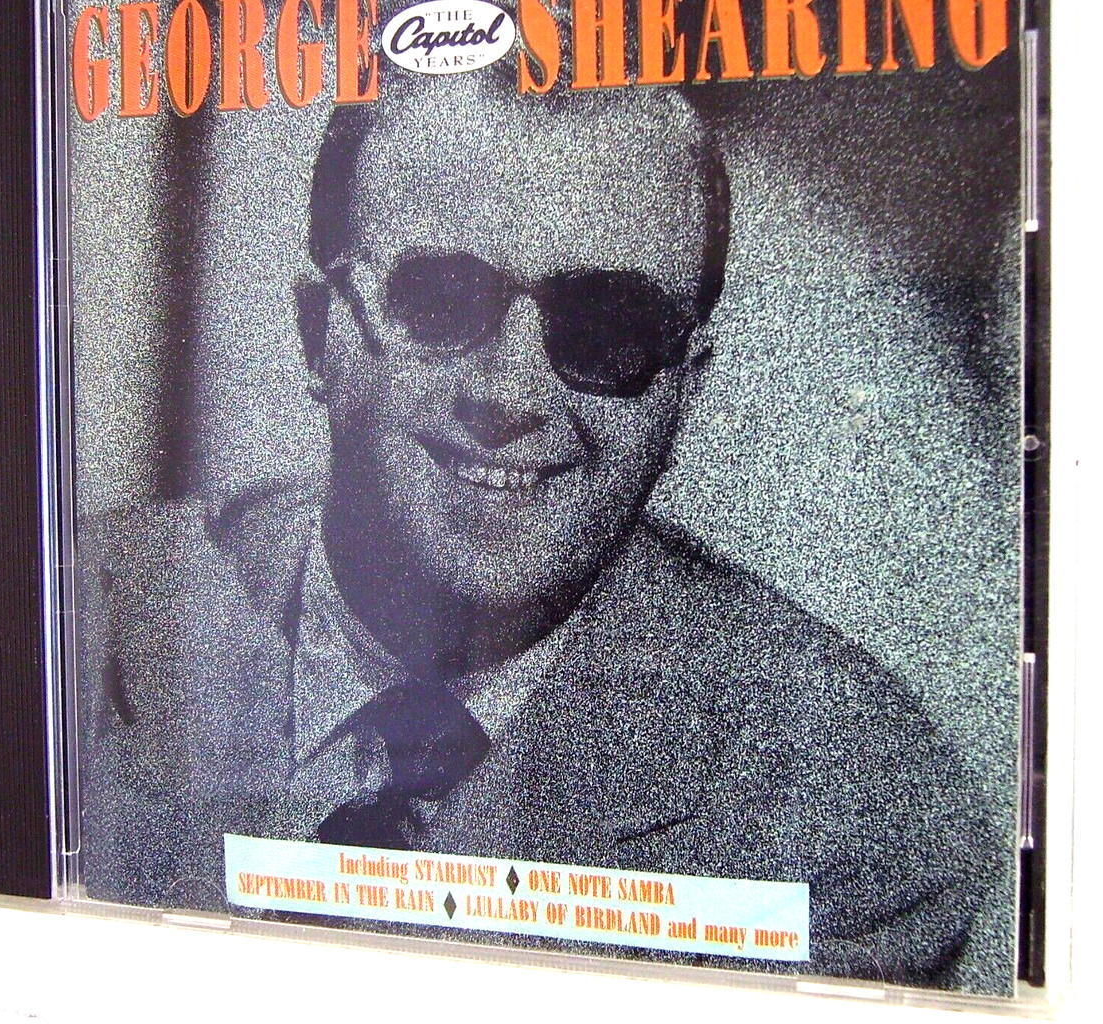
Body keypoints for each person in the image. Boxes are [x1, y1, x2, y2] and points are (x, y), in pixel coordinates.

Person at [77, 64, 994, 987]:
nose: (511, 392)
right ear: (322, 335)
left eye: (606, 328)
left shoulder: (846, 795)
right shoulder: (71, 626)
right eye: (443, 301)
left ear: (684, 392)